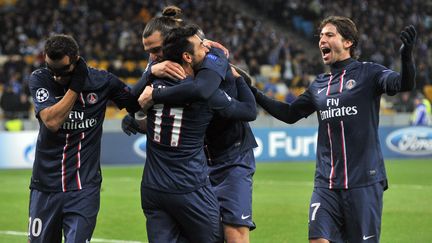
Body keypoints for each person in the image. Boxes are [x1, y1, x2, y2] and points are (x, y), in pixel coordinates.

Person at [248, 16, 417, 243]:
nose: (321, 40)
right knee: (317, 238)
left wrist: (406, 57)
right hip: (326, 183)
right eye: (320, 36)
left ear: (348, 42)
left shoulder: (369, 73)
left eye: (329, 35)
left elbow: (403, 84)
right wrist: (254, 92)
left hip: (363, 181)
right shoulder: (318, 85)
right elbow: (289, 114)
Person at [123, 6, 258, 243]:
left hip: (229, 153)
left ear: (175, 44)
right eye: (149, 52)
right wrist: (149, 79)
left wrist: (154, 95)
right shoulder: (157, 62)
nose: (152, 56)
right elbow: (131, 101)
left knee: (234, 233)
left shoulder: (210, 54)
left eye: (156, 50)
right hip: (196, 159)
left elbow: (203, 91)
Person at [27, 34, 140, 243]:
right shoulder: (40, 78)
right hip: (45, 185)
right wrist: (75, 86)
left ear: (76, 59)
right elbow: (51, 122)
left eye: (62, 71)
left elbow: (136, 102)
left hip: (83, 188)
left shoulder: (101, 80)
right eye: (52, 69)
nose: (56, 77)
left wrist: (152, 72)